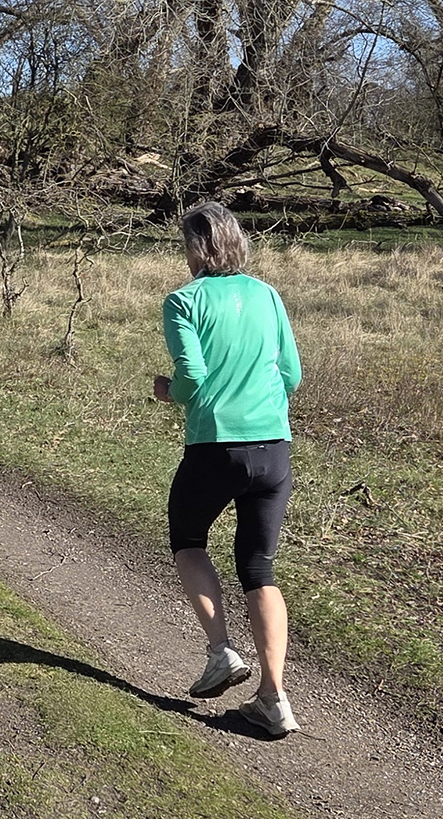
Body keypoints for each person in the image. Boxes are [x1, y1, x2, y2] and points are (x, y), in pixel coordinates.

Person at [154, 201, 303, 737]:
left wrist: (169, 392)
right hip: (274, 448)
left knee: (188, 538)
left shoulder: (183, 301)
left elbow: (190, 379)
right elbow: (292, 373)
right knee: (259, 568)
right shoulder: (267, 294)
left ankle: (221, 652)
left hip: (216, 446)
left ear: (195, 247)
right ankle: (273, 697)